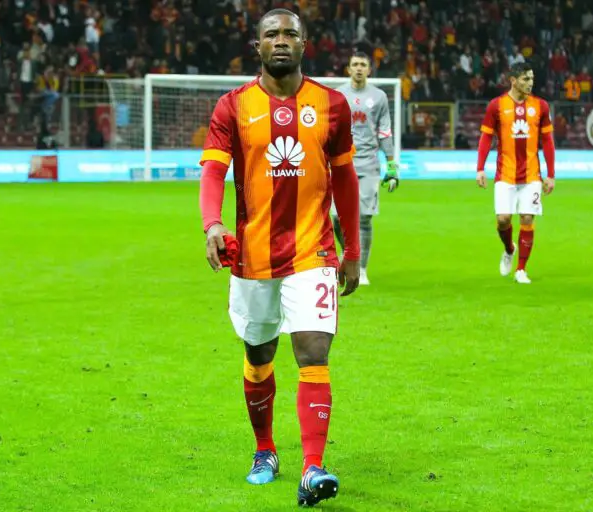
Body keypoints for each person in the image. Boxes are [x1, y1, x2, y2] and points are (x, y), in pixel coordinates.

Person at [198, 8, 360, 507]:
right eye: (272, 34)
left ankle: (313, 467)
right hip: (253, 256)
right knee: (259, 354)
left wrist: (353, 249)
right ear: (259, 46)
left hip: (314, 250)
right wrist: (213, 223)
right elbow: (212, 171)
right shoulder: (232, 106)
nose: (282, 40)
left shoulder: (332, 105)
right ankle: (265, 449)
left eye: (291, 33)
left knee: (313, 350)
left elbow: (346, 179)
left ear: (305, 43)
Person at [476, 62, 556, 284]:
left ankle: (521, 269)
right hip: (505, 173)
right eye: (525, 79)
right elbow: (486, 137)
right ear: (513, 80)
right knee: (503, 220)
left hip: (532, 175)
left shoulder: (541, 106)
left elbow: (547, 141)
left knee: (527, 218)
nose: (530, 83)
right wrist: (480, 168)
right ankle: (509, 248)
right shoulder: (496, 105)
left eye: (532, 79)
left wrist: (551, 174)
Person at [331, 52, 399, 285]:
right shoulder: (338, 95)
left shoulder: (379, 97)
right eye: (355, 65)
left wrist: (391, 165)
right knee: (336, 218)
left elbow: (385, 131)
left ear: (369, 70)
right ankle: (348, 253)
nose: (359, 68)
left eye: (363, 65)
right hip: (341, 164)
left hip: (369, 164)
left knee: (365, 217)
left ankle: (361, 267)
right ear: (348, 69)